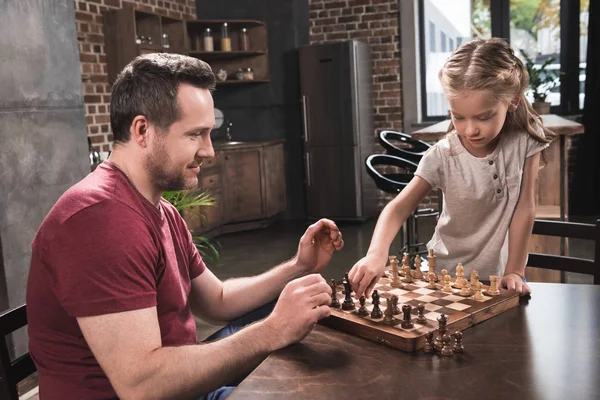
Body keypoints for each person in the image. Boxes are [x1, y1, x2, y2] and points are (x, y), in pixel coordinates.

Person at [26, 53, 344, 400]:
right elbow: (142, 386)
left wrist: (299, 267)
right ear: (143, 131)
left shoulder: (158, 208)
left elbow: (217, 301)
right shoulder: (99, 219)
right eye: (196, 135)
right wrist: (272, 331)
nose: (209, 151)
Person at [349, 38, 553, 298]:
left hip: (500, 276)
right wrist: (376, 254)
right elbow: (398, 207)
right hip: (444, 276)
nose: (470, 129)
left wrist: (515, 270)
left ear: (511, 102)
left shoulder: (526, 138)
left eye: (484, 116)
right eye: (458, 116)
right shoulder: (442, 156)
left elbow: (525, 207)